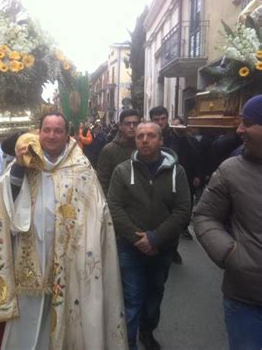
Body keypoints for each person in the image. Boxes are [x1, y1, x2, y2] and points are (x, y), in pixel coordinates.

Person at [0, 112, 127, 350]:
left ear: (67, 135)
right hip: (28, 255)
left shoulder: (81, 169)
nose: (52, 135)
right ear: (39, 132)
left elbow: (97, 214)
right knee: (27, 317)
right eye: (47, 130)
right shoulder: (22, 163)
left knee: (67, 313)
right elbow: (3, 205)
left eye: (58, 130)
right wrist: (19, 171)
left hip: (69, 257)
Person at [107, 121, 191, 350]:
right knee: (132, 298)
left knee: (155, 296)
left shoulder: (178, 172)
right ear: (135, 140)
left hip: (163, 248)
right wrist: (138, 239)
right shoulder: (122, 171)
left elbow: (183, 210)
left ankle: (147, 332)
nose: (144, 140)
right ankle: (128, 342)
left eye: (151, 135)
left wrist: (155, 238)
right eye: (140, 136)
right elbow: (114, 207)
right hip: (130, 248)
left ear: (161, 140)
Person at [194, 95, 262, 350]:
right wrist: (231, 253)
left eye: (247, 123)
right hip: (246, 299)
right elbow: (204, 216)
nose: (239, 129)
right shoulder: (231, 170)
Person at [149, 106, 185, 264]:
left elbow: (189, 154)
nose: (160, 122)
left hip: (175, 179)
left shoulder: (176, 134)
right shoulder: (147, 134)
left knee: (174, 214)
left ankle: (172, 248)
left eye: (163, 118)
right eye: (156, 119)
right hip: (154, 179)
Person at [96, 109, 139, 195]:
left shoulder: (144, 148)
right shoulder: (109, 150)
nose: (131, 127)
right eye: (127, 124)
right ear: (120, 125)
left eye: (135, 123)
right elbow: (102, 183)